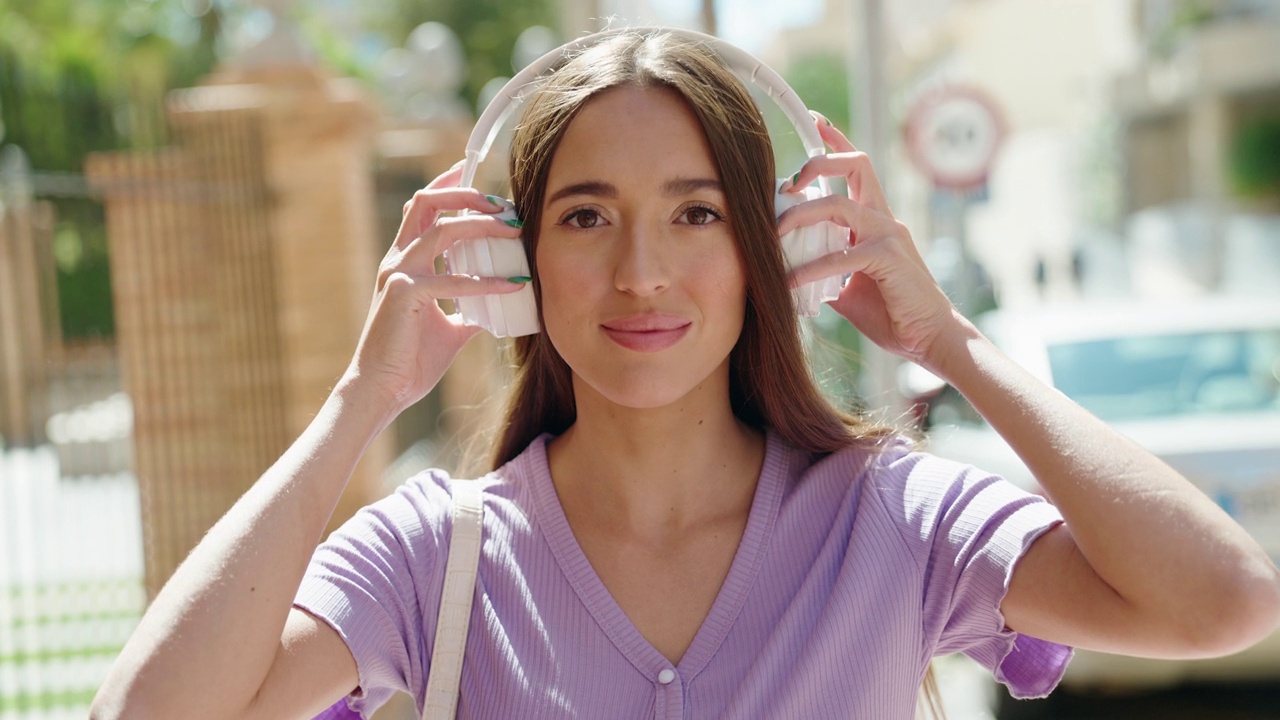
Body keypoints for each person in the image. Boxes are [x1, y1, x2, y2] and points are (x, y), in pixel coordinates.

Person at [90, 29, 1280, 720]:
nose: (642, 273)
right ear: (513, 264)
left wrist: (947, 343)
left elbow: (1224, 602)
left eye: (697, 213)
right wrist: (360, 402)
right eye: (586, 217)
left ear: (773, 254)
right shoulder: (430, 558)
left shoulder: (897, 520)